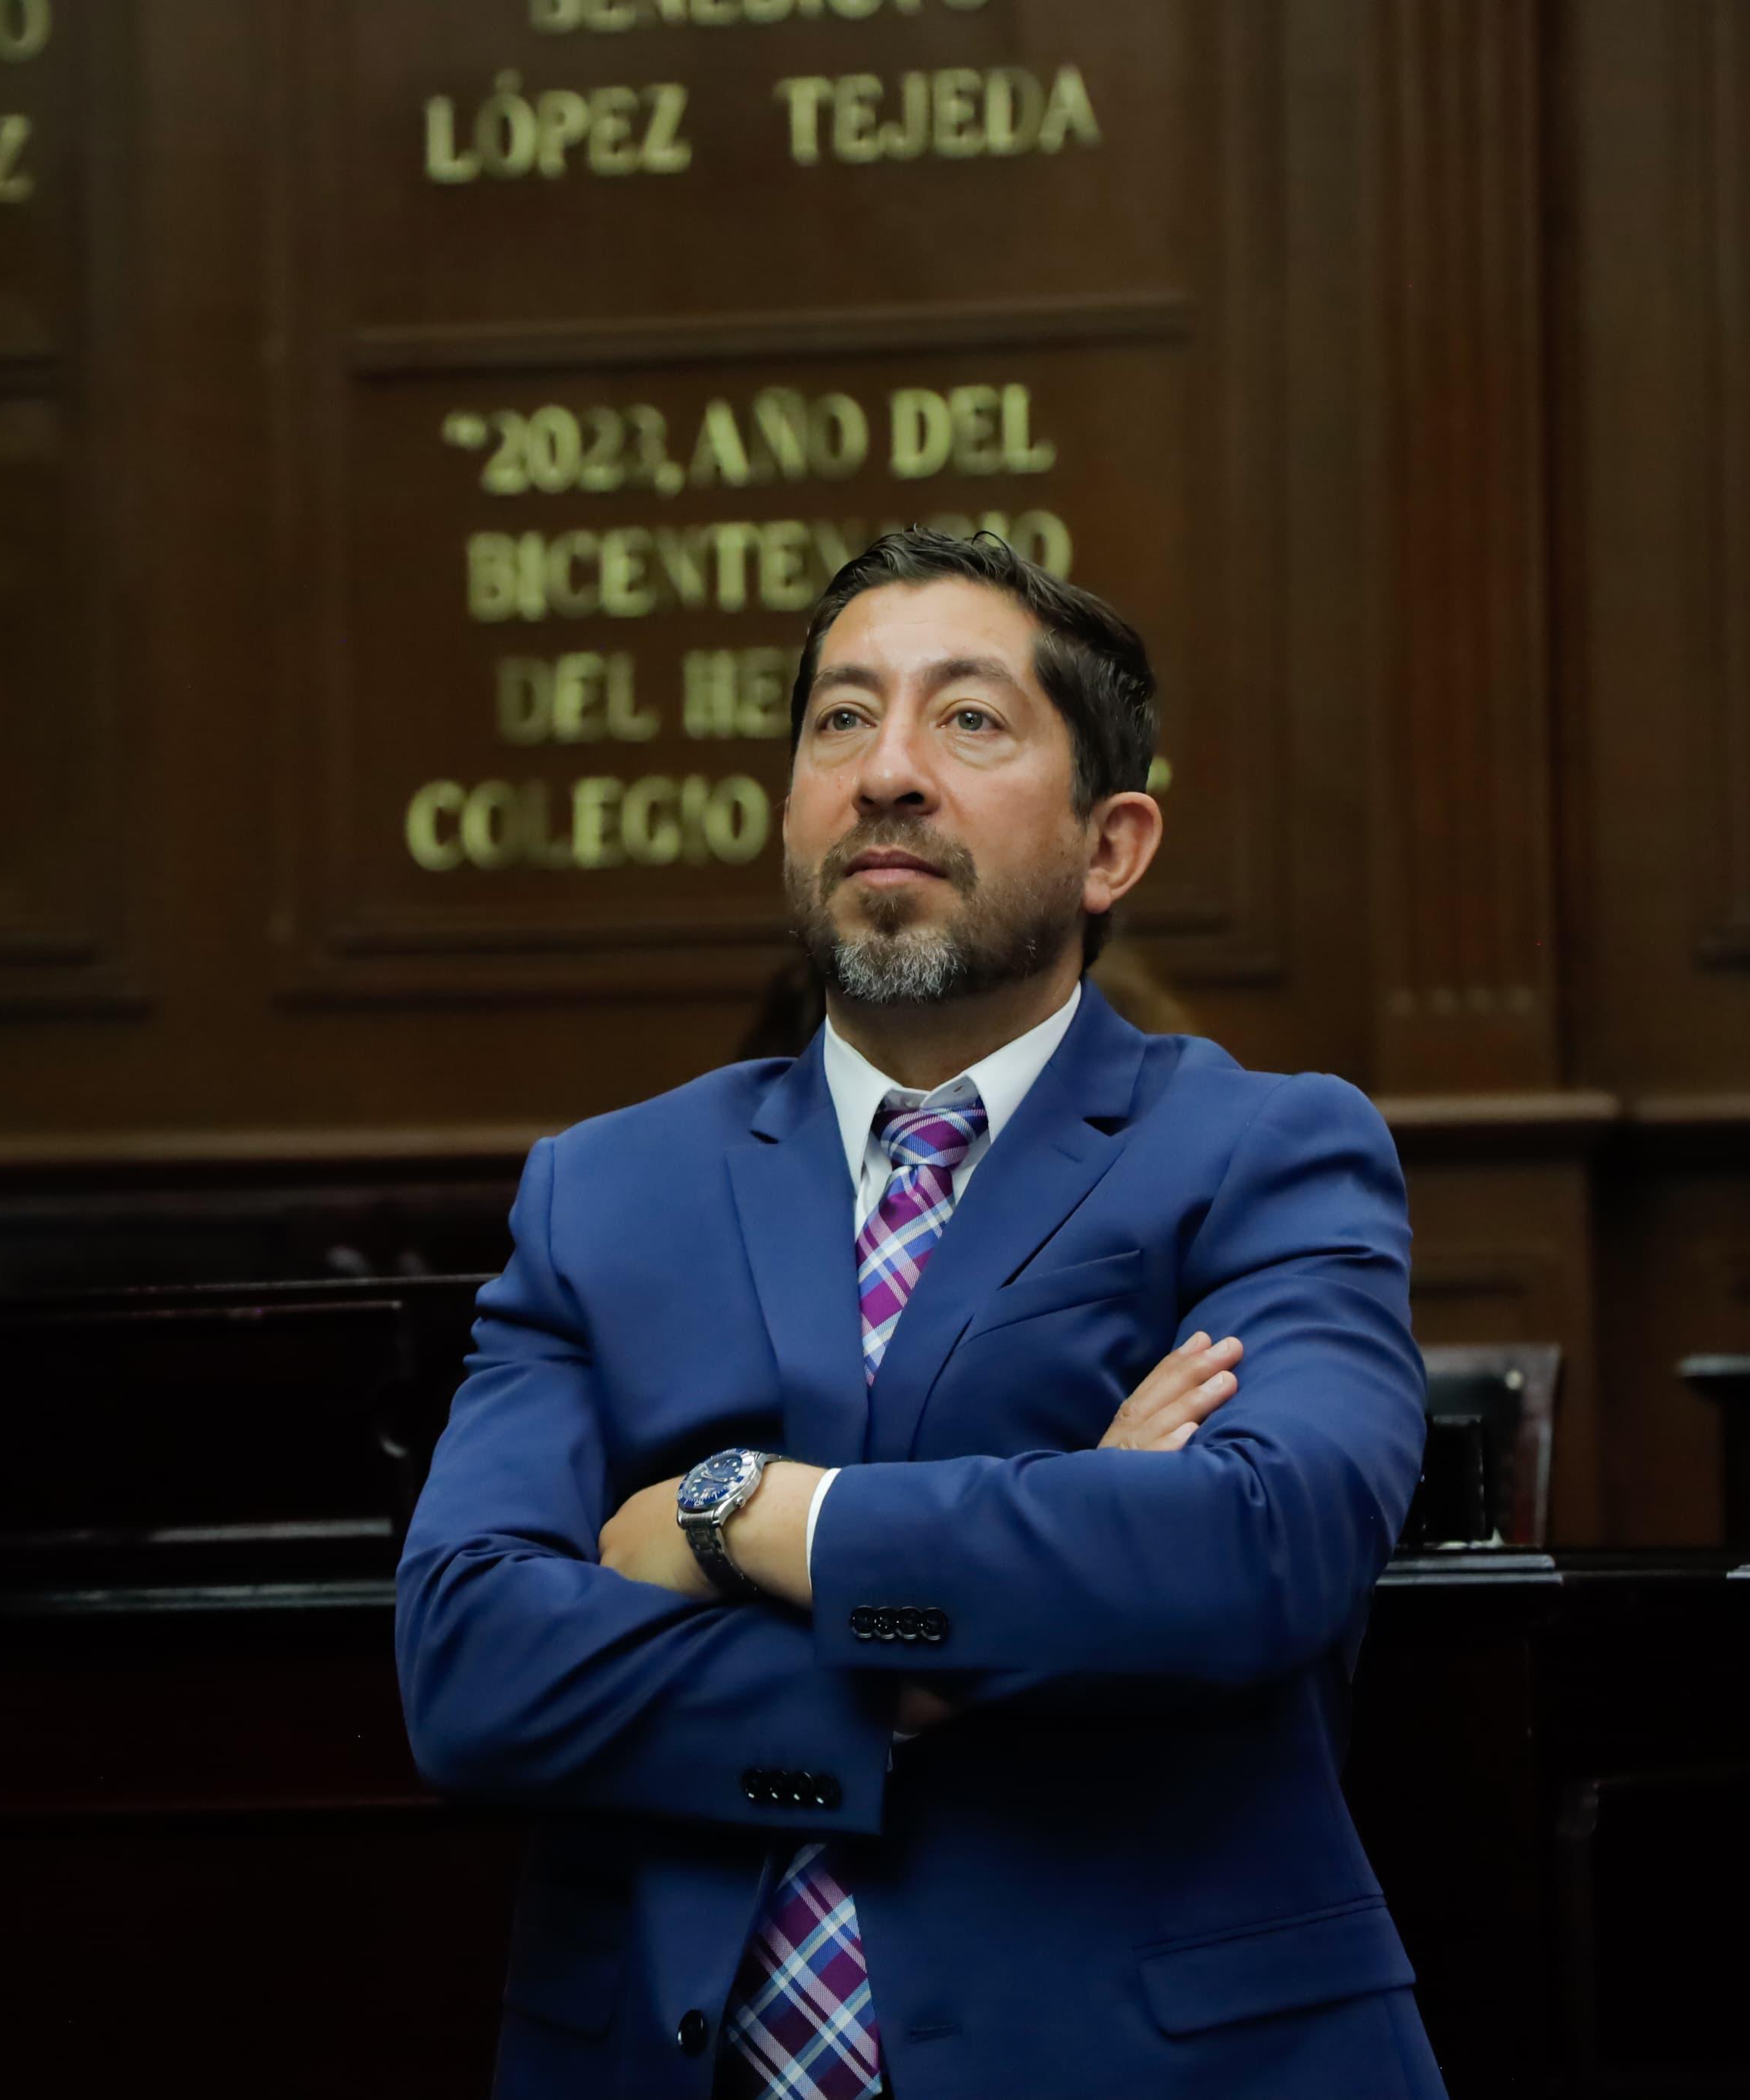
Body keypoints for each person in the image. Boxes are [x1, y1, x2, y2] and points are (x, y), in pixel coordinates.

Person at [398, 529, 1443, 2099]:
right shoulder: (602, 1192)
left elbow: (1257, 1547)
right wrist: (942, 1660)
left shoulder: (1263, 1151)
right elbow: (470, 1666)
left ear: (1112, 845)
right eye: (840, 718)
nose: (886, 771)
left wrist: (737, 1513)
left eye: (968, 719)